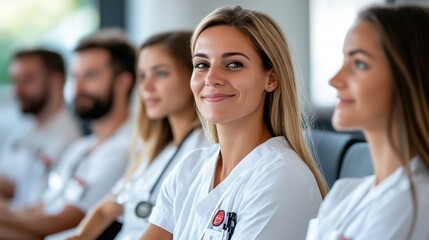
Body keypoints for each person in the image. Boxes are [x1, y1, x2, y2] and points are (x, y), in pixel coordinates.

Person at [142, 6, 327, 240]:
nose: (211, 78)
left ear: (271, 78)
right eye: (202, 65)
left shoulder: (282, 179)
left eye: (233, 64)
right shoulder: (189, 169)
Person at [66, 31, 209, 240]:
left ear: (193, 76)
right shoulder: (155, 149)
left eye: (160, 73)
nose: (146, 87)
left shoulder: (203, 149)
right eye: (142, 76)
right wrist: (79, 237)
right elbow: (108, 208)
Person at [306, 4, 429, 240]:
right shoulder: (344, 194)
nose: (334, 80)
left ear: (409, 78)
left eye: (359, 64)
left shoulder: (414, 204)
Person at [0, 28, 136, 239]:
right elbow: (42, 207)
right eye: (75, 76)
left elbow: (63, 222)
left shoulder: (125, 149)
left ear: (123, 82)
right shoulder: (82, 147)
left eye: (90, 75)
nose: (78, 87)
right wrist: (7, 213)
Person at [0, 49, 82, 209]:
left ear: (56, 80)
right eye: (15, 80)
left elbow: (44, 210)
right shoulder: (22, 131)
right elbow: (9, 184)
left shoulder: (69, 140)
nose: (18, 91)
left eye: (27, 80)